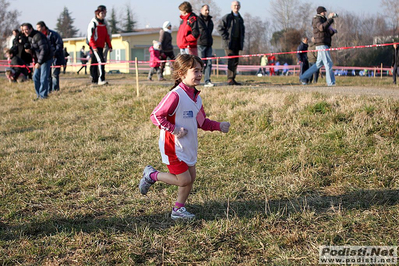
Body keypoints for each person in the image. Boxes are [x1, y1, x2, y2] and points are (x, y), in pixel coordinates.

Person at [139, 54, 231, 220]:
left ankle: (178, 209)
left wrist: (219, 126)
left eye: (201, 71)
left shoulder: (197, 97)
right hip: (172, 146)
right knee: (184, 180)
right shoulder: (175, 95)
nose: (199, 74)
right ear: (181, 73)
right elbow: (156, 116)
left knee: (191, 178)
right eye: (195, 70)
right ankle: (151, 175)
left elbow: (202, 123)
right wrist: (174, 129)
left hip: (189, 145)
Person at [300, 6, 337, 86]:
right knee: (328, 63)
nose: (325, 13)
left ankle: (303, 77)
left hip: (324, 43)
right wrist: (330, 19)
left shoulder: (323, 19)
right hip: (321, 44)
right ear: (320, 12)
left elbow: (325, 32)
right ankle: (331, 83)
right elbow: (321, 28)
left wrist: (333, 31)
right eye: (324, 11)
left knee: (318, 64)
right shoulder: (317, 19)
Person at [22, 22, 53, 100]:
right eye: (23, 30)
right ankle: (38, 95)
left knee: (43, 77)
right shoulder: (30, 37)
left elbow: (44, 50)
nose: (25, 31)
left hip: (46, 58)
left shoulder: (38, 36)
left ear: (31, 29)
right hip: (39, 59)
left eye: (26, 29)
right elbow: (36, 48)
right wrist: (30, 51)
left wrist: (39, 62)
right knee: (35, 77)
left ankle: (43, 96)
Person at [217, 1, 245, 86]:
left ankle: (233, 78)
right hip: (229, 43)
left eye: (238, 5)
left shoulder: (240, 18)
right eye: (235, 5)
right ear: (231, 7)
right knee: (230, 60)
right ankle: (229, 78)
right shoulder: (227, 17)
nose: (236, 7)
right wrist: (226, 37)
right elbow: (220, 28)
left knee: (235, 61)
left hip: (237, 43)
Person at [87, 5, 113, 85]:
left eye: (105, 13)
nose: (104, 14)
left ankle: (94, 80)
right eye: (102, 13)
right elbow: (90, 37)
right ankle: (101, 79)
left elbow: (106, 36)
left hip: (101, 46)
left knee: (95, 62)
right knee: (101, 61)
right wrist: (93, 47)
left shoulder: (104, 24)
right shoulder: (93, 23)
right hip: (95, 46)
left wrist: (109, 45)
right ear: (98, 13)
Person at [36, 21, 65, 92]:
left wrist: (54, 53)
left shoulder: (53, 34)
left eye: (39, 27)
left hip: (55, 58)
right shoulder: (38, 36)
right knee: (47, 75)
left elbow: (59, 45)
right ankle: (48, 90)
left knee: (54, 75)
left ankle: (55, 90)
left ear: (43, 27)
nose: (37, 29)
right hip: (45, 58)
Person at [198, 4, 215, 87]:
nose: (207, 11)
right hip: (200, 44)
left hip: (209, 45)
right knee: (200, 63)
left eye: (208, 10)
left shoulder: (210, 21)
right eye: (206, 10)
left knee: (209, 63)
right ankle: (196, 80)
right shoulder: (198, 20)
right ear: (201, 10)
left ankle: (207, 80)